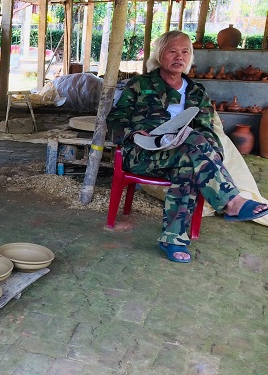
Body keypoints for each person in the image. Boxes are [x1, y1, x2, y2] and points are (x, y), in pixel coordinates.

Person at [107, 30, 268, 263]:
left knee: (190, 158)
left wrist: (211, 152)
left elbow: (206, 129)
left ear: (190, 57)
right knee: (193, 145)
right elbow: (115, 119)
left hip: (182, 154)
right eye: (172, 51)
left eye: (185, 52)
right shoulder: (140, 84)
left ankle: (173, 240)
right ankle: (232, 201)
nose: (178, 57)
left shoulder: (196, 91)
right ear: (160, 54)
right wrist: (133, 133)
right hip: (144, 154)